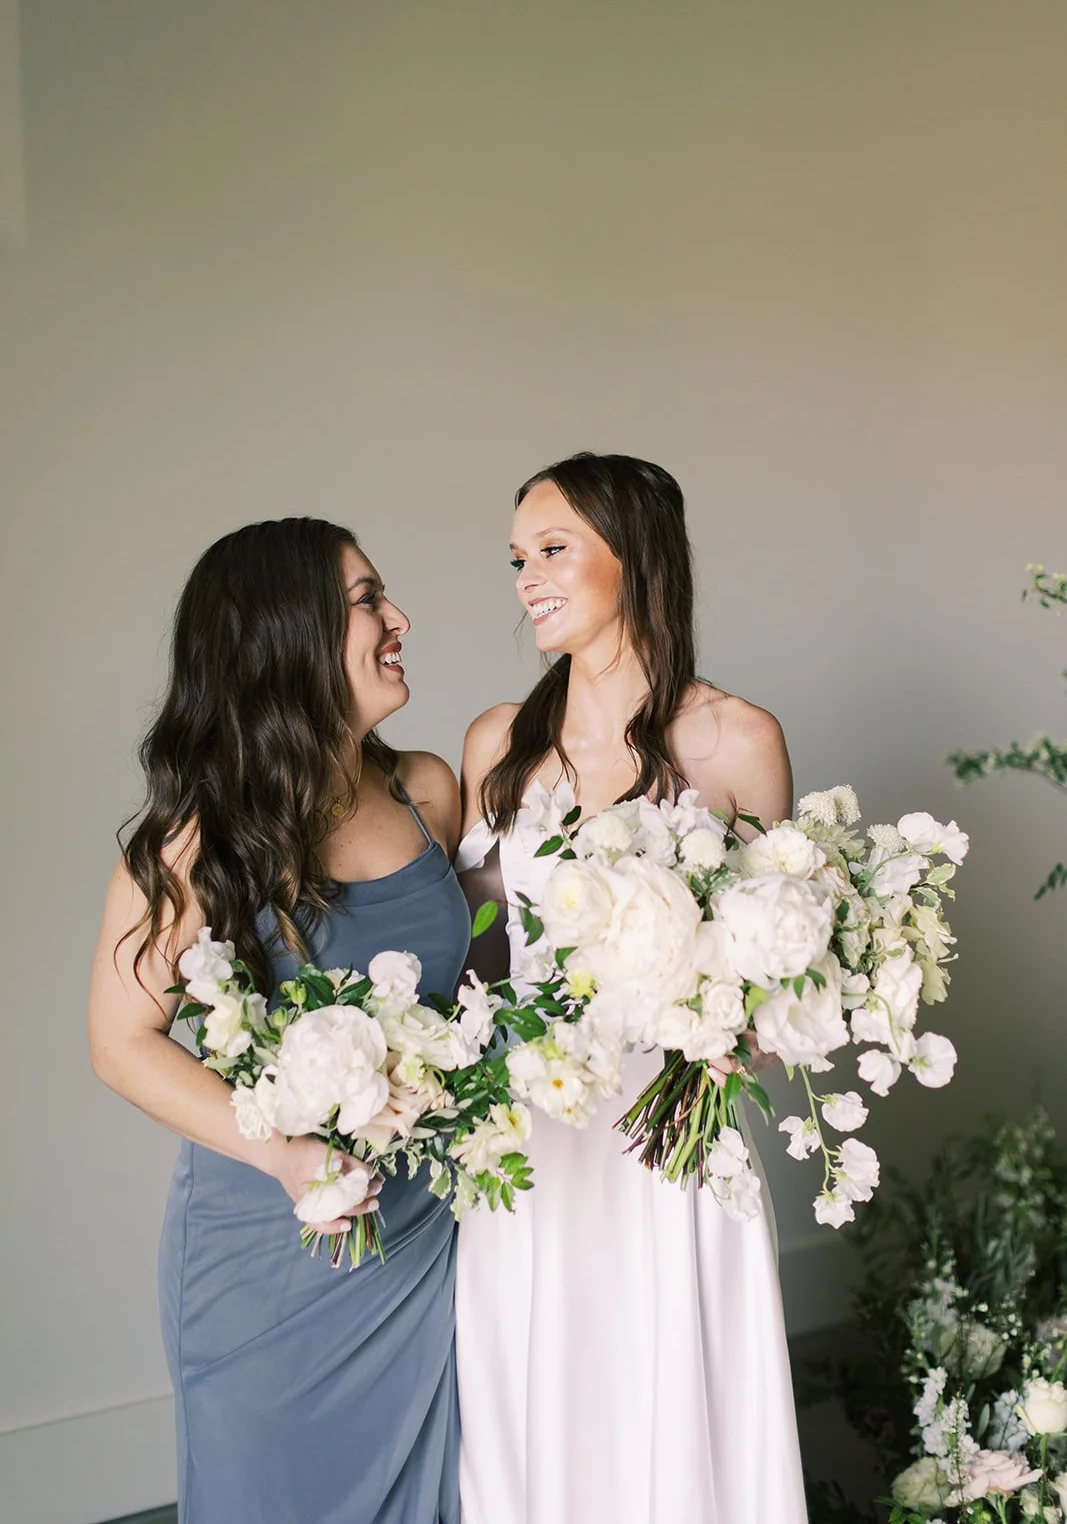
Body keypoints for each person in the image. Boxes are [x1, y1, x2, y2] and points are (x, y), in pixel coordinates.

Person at [89, 517, 468, 1524]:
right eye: (366, 601)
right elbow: (119, 1041)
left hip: (426, 1242)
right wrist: (289, 1158)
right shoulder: (200, 838)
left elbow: (478, 985)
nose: (400, 620)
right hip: (270, 1252)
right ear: (287, 635)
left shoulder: (428, 788)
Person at [454, 453, 808, 1524]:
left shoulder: (735, 740)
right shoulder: (494, 742)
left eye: (552, 549)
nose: (527, 577)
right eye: (518, 557)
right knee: (533, 1405)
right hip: (529, 1145)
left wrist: (729, 1044)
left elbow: (781, 967)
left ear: (633, 556)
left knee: (676, 1408)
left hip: (670, 1137)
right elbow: (473, 962)